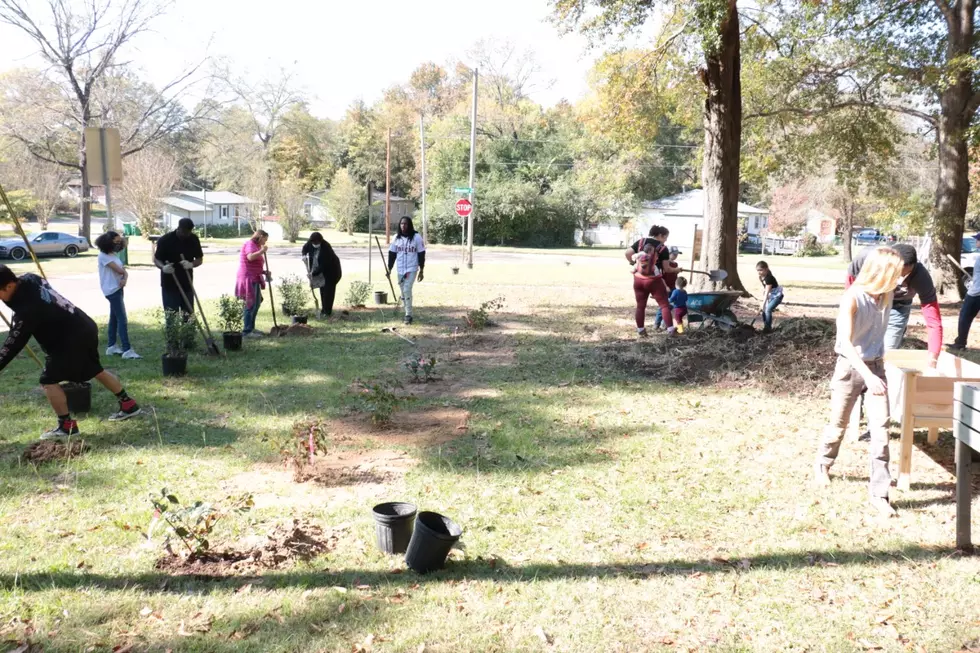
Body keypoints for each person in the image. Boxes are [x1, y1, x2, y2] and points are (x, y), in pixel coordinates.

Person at [0, 266, 142, 439]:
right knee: (94, 368)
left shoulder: (27, 310)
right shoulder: (30, 278)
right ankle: (129, 404)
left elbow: (14, 342)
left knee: (48, 380)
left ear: (8, 286)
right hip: (84, 325)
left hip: (70, 339)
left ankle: (66, 426)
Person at [815, 247, 904, 517]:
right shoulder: (852, 298)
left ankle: (879, 493)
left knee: (881, 432)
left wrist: (879, 368)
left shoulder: (887, 295)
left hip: (877, 366)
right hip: (851, 367)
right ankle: (823, 463)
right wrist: (868, 375)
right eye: (895, 274)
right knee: (838, 425)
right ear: (881, 273)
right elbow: (846, 344)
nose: (899, 280)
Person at [847, 243, 942, 367]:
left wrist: (933, 357)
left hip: (899, 306)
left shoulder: (921, 276)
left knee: (887, 351)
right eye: (896, 274)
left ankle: (882, 378)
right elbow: (850, 290)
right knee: (859, 342)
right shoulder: (866, 258)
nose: (898, 280)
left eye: (904, 275)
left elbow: (933, 320)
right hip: (869, 300)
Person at [95, 230, 141, 360]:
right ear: (107, 242)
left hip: (117, 289)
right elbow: (121, 271)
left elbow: (122, 271)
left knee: (114, 318)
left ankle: (111, 346)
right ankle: (127, 350)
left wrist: (124, 276)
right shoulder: (103, 256)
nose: (118, 244)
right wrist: (125, 276)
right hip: (112, 290)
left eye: (119, 242)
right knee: (122, 319)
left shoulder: (112, 254)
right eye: (115, 242)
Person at [153, 218, 204, 319]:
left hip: (187, 283)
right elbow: (156, 259)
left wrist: (191, 264)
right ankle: (173, 335)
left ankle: (188, 335)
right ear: (179, 228)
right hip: (170, 284)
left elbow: (199, 259)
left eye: (189, 232)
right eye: (185, 232)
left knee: (189, 316)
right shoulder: (165, 240)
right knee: (172, 317)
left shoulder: (193, 239)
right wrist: (163, 267)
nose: (187, 235)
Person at [629, 233, 673, 337]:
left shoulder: (640, 251)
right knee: (664, 305)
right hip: (653, 281)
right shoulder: (658, 253)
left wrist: (633, 263)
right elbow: (661, 273)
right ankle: (671, 329)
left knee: (640, 306)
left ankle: (640, 330)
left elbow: (629, 254)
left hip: (638, 280)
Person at [387, 217, 426, 325]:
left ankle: (408, 314)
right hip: (400, 269)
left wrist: (422, 270)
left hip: (411, 268)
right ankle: (406, 311)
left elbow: (421, 254)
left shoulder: (416, 237)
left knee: (407, 289)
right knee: (403, 290)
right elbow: (392, 254)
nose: (403, 226)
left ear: (410, 225)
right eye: (401, 224)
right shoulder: (396, 238)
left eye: (406, 224)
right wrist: (389, 268)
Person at [949, 233, 980, 351]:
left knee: (964, 317)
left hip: (975, 294)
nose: (976, 241)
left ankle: (960, 343)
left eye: (978, 239)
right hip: (976, 290)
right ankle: (960, 342)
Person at [235, 230, 269, 337]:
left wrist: (264, 272)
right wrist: (262, 251)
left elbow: (255, 264)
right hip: (248, 278)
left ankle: (251, 327)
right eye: (265, 239)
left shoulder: (257, 246)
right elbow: (250, 257)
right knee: (250, 304)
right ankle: (247, 331)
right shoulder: (250, 244)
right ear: (260, 236)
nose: (265, 242)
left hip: (255, 277)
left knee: (257, 303)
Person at [302, 232, 343, 318]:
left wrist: (312, 273)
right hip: (321, 271)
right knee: (322, 288)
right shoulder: (310, 243)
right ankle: (323, 309)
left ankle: (327, 312)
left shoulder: (326, 247)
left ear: (320, 241)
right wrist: (304, 256)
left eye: (317, 243)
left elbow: (324, 265)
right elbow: (304, 249)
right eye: (314, 243)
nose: (315, 244)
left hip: (332, 271)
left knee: (328, 291)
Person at [654, 246, 682, 329]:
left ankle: (664, 323)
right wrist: (665, 286)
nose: (676, 256)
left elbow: (674, 277)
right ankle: (657, 323)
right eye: (674, 254)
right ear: (668, 254)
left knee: (671, 305)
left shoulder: (675, 264)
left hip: (673, 287)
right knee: (664, 306)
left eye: (677, 254)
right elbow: (661, 277)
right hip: (665, 288)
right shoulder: (664, 265)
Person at [757, 261, 784, 333]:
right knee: (764, 311)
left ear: (766, 269)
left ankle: (767, 329)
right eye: (758, 270)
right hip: (770, 295)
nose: (759, 272)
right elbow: (765, 290)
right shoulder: (761, 277)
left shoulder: (769, 278)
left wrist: (763, 303)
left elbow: (767, 292)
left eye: (761, 270)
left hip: (777, 296)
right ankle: (766, 326)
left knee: (768, 309)